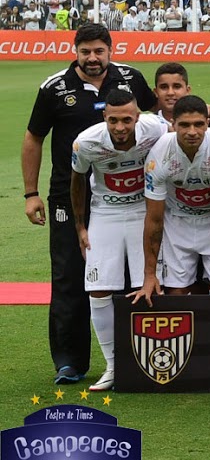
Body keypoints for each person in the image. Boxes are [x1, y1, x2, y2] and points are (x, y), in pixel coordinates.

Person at [24, 24, 156, 384]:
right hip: (71, 195)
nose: (93, 58)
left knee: (131, 277)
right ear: (76, 51)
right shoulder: (54, 87)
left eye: (99, 51)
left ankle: (134, 358)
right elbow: (34, 138)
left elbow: (159, 120)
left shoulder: (132, 79)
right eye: (86, 52)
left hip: (128, 196)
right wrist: (31, 193)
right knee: (69, 276)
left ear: (110, 49)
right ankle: (70, 361)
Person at [68, 90, 167, 391]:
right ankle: (113, 365)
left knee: (150, 287)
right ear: (104, 118)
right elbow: (77, 180)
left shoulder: (157, 129)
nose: (120, 127)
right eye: (113, 120)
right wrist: (80, 226)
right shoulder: (86, 142)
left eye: (127, 120)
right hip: (106, 212)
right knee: (98, 290)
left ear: (138, 117)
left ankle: (150, 361)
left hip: (143, 211)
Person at [132, 95, 210, 302]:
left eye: (198, 124)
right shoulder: (158, 156)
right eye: (184, 125)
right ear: (173, 124)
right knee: (177, 295)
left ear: (207, 123)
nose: (192, 132)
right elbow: (154, 219)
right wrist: (150, 274)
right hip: (177, 222)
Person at [151, 62, 195, 127]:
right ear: (156, 92)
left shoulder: (202, 122)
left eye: (177, 86)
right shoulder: (148, 125)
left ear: (187, 90)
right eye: (164, 87)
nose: (170, 93)